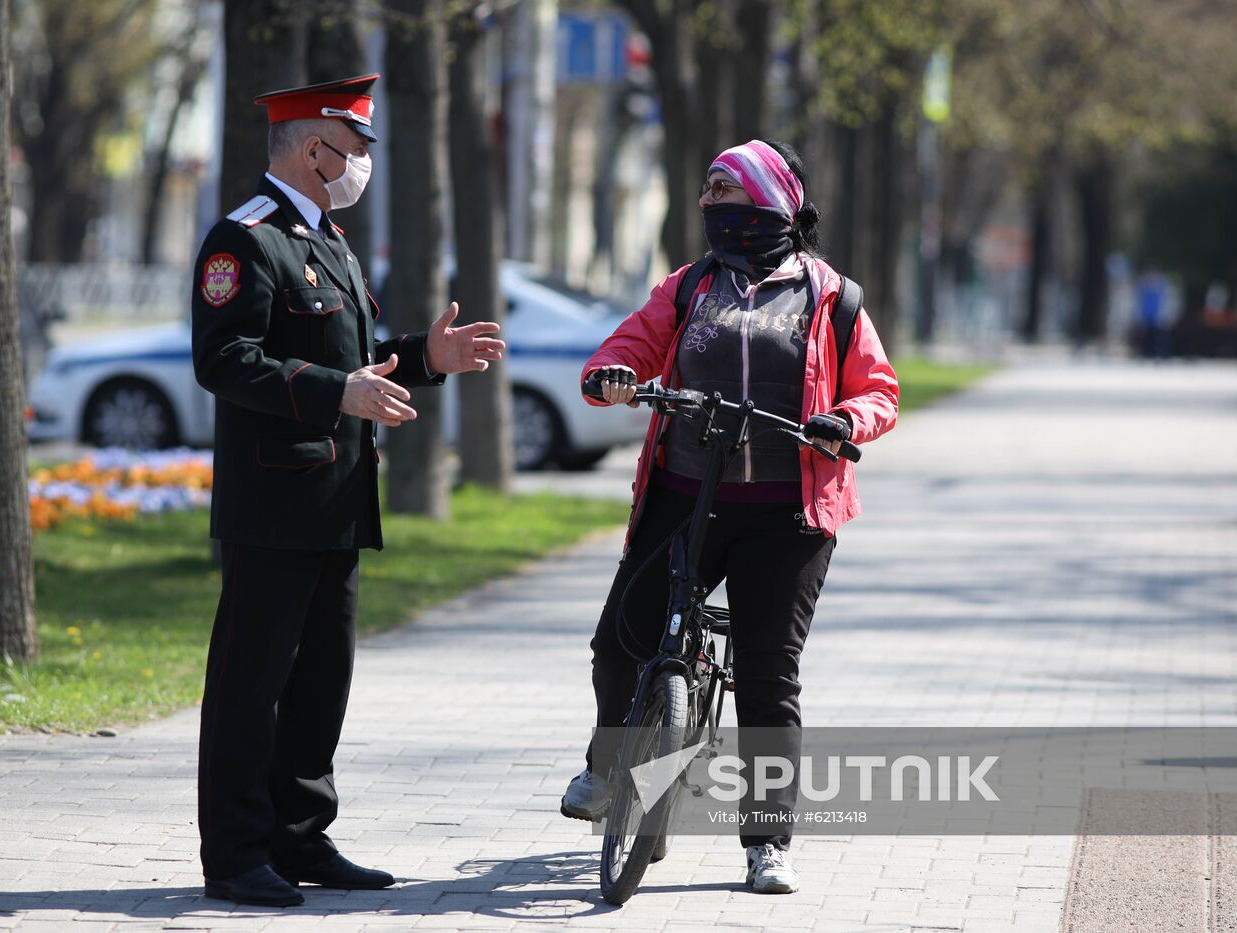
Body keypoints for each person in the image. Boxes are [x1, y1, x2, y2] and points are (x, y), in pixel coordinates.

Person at [190, 74, 505, 907]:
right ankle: (235, 854)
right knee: (250, 684)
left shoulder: (323, 237)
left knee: (321, 678)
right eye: (355, 147)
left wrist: (425, 358)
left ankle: (299, 837)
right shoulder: (246, 239)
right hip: (274, 501)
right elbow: (225, 360)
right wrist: (338, 392)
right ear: (311, 147)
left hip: (335, 498)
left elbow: (352, 357)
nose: (362, 162)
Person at [560, 140, 898, 894]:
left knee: (769, 675)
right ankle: (608, 764)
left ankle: (767, 842)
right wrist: (610, 376)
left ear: (769, 200)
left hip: (790, 512)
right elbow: (629, 346)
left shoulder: (832, 296)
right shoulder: (687, 288)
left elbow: (878, 387)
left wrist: (845, 418)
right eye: (707, 192)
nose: (714, 206)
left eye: (727, 191)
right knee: (621, 637)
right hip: (688, 494)